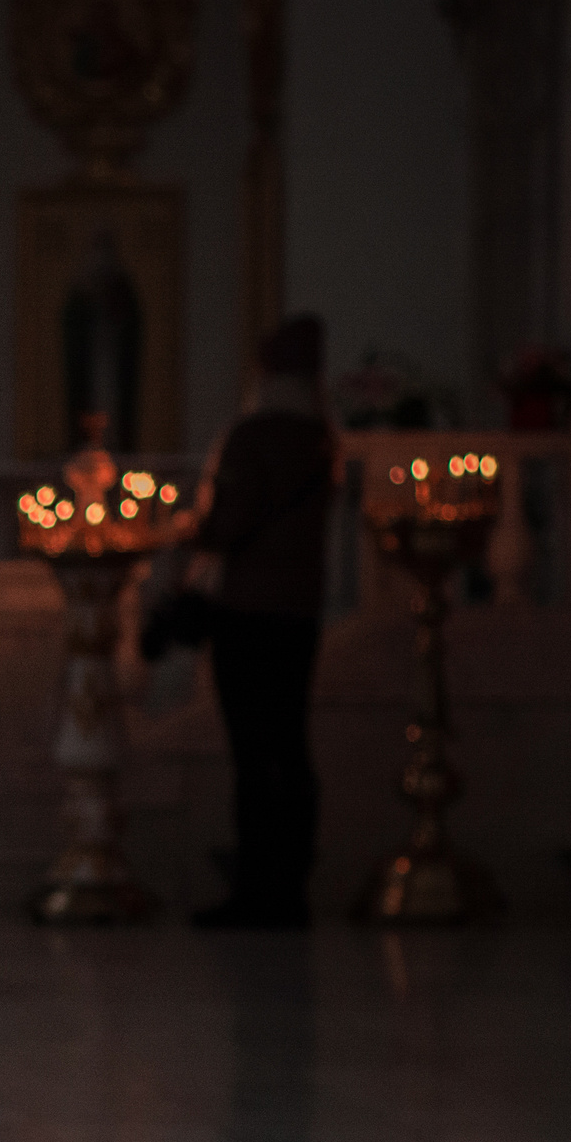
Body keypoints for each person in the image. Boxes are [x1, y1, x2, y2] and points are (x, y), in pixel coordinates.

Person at [191, 314, 336, 930]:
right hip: (300, 610)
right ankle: (293, 887)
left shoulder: (252, 436)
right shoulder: (322, 439)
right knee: (291, 745)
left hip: (247, 610)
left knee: (253, 755)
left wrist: (187, 532)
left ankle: (256, 890)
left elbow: (229, 522)